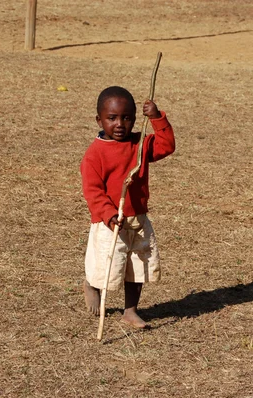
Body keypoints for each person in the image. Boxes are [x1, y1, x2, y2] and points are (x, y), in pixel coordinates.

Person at [80, 86, 175, 329]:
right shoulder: (94, 155)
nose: (120, 124)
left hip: (138, 219)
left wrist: (156, 118)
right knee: (108, 265)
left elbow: (166, 145)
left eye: (127, 117)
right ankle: (93, 283)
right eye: (112, 118)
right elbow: (93, 192)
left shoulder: (139, 144)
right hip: (109, 222)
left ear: (135, 118)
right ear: (99, 120)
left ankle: (130, 311)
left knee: (137, 266)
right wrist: (109, 214)